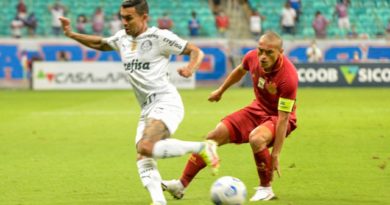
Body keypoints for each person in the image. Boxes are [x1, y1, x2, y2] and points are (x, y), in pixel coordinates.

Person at [58, 1, 219, 205]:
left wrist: (190, 68)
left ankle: (202, 147)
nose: (123, 22)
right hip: (146, 109)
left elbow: (195, 51)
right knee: (143, 157)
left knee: (145, 146)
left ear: (144, 17)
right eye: (122, 17)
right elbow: (100, 43)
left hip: (165, 101)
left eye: (129, 18)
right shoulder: (122, 38)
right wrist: (71, 34)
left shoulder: (160, 37)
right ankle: (159, 201)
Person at [162, 31, 298, 201]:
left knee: (256, 139)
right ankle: (180, 185)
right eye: (260, 50)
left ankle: (266, 188)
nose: (263, 56)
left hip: (279, 117)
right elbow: (240, 70)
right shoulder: (252, 57)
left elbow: (284, 118)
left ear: (280, 52)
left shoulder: (288, 77)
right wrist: (221, 90)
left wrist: (276, 154)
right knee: (212, 138)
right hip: (257, 109)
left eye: (269, 52)